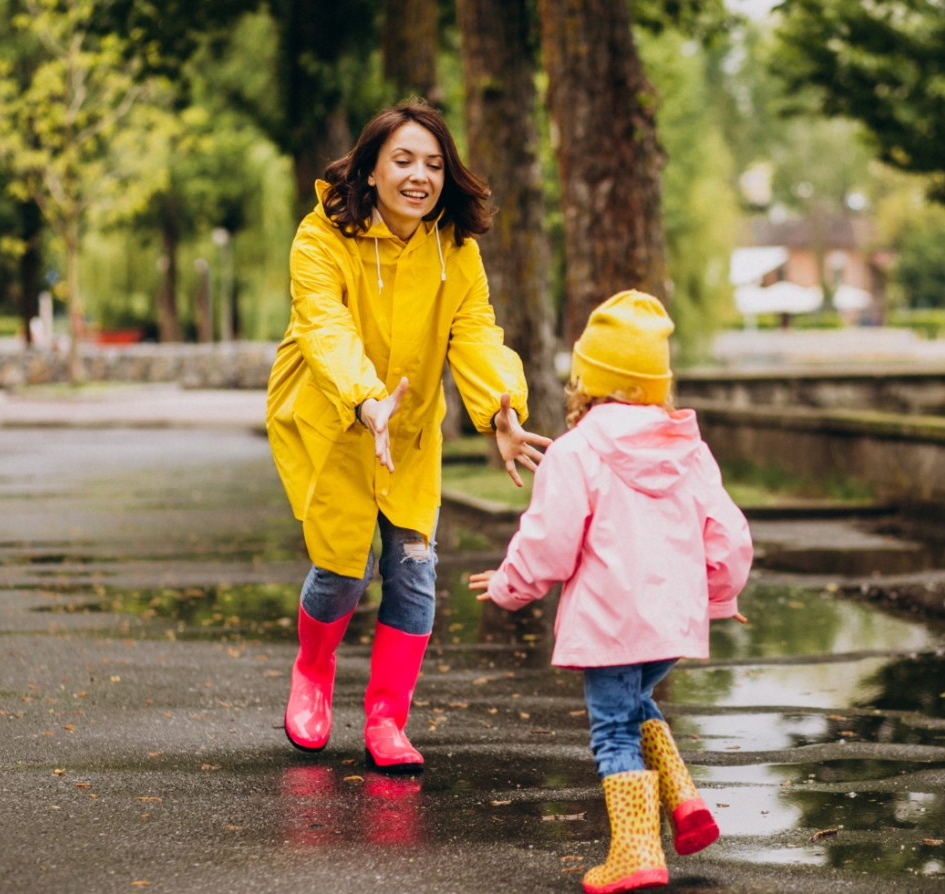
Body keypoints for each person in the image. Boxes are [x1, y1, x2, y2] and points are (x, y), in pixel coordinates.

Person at [267, 100, 551, 772]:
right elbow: (324, 329)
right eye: (403, 160)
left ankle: (386, 720)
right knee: (342, 571)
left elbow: (475, 334)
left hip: (412, 427)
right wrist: (366, 400)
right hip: (335, 416)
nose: (419, 175)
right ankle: (312, 669)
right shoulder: (320, 239)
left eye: (432, 163)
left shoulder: (457, 251)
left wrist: (500, 410)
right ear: (368, 170)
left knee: (414, 573)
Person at [469, 291, 752, 894]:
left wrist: (507, 586)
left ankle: (636, 853)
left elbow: (548, 541)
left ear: (587, 382)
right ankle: (683, 800)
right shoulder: (691, 450)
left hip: (611, 625)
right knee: (635, 704)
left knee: (614, 730)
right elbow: (728, 534)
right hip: (670, 626)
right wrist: (719, 595)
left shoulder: (577, 452)